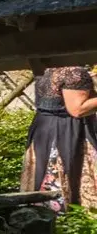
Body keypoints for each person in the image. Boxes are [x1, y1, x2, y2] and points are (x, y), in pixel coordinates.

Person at [24, 65, 97, 209]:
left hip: (44, 127)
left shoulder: (48, 67)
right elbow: (77, 109)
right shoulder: (74, 72)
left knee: (42, 177)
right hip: (66, 132)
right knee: (68, 176)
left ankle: (43, 217)